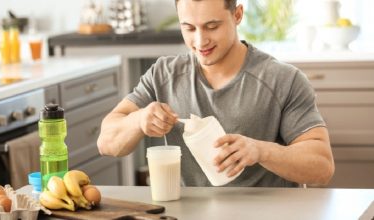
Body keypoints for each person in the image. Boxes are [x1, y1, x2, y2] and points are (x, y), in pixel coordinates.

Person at [97, 0, 335, 187]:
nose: (200, 41)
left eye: (212, 26)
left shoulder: (283, 80)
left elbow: (322, 167)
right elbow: (107, 143)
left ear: (237, 15)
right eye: (189, 28)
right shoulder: (163, 76)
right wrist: (139, 120)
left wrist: (261, 151)